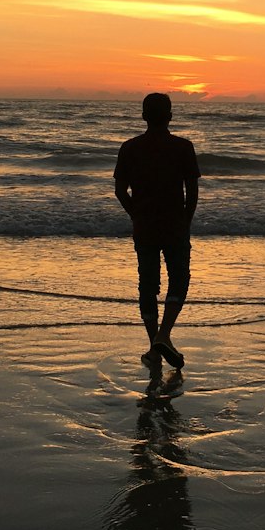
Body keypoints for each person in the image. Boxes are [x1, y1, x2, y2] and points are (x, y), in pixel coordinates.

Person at [114, 92, 200, 370]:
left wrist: (135, 214)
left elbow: (119, 190)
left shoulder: (129, 148)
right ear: (170, 116)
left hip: (145, 226)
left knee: (148, 286)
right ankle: (163, 336)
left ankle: (154, 347)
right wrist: (186, 220)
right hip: (175, 223)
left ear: (143, 116)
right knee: (179, 280)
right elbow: (192, 191)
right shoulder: (183, 147)